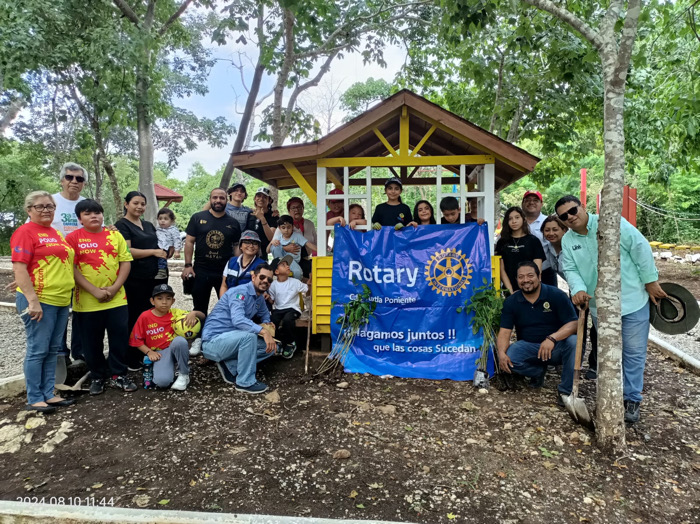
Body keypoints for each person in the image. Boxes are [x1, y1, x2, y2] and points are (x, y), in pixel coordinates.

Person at [556, 195, 668, 423]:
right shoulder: (568, 241)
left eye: (573, 210)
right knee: (608, 355)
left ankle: (632, 399)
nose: (570, 217)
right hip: (600, 306)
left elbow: (639, 247)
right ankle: (610, 397)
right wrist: (577, 289)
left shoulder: (610, 223)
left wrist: (650, 280)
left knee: (634, 354)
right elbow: (570, 268)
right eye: (564, 216)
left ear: (582, 206)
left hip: (632, 300)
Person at [11, 191, 76, 413]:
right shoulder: (25, 232)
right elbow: (19, 266)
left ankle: (49, 393)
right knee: (38, 349)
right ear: (29, 210)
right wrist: (31, 300)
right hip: (40, 299)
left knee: (52, 349)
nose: (46, 210)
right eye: (40, 207)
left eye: (50, 206)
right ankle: (35, 397)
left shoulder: (55, 233)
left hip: (60, 299)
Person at [66, 199, 137, 395]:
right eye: (88, 213)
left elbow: (125, 262)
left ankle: (119, 374)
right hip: (87, 302)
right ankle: (97, 376)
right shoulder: (72, 239)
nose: (94, 216)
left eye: (97, 212)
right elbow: (70, 268)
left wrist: (114, 288)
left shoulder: (115, 236)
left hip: (117, 299)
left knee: (119, 339)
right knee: (91, 342)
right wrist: (94, 290)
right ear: (80, 219)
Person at [496, 262, 578, 403]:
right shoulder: (512, 302)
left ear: (539, 276)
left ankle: (566, 391)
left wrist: (552, 338)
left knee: (574, 341)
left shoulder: (556, 295)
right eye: (521, 277)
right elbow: (504, 331)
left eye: (530, 276)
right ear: (516, 280)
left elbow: (574, 324)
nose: (526, 280)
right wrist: (501, 353)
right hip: (530, 347)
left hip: (556, 347)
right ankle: (538, 372)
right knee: (511, 356)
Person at [201, 264, 278, 394]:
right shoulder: (240, 292)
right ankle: (245, 382)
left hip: (231, 340)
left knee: (270, 348)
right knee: (249, 337)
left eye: (269, 280)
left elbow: (264, 313)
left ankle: (230, 366)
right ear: (253, 277)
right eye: (262, 277)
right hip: (213, 341)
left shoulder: (259, 297)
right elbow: (238, 320)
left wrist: (267, 324)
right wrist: (263, 331)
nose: (265, 281)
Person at [541, 214, 598, 380]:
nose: (551, 233)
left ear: (564, 230)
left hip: (592, 289)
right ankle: (574, 361)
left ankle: (595, 364)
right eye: (547, 230)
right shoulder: (549, 249)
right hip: (575, 292)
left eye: (555, 229)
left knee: (597, 329)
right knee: (575, 325)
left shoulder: (574, 246)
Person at [116, 191, 168, 369]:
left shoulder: (148, 224)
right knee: (135, 317)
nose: (139, 207)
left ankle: (149, 351)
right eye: (135, 203)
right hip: (134, 278)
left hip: (152, 278)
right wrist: (153, 252)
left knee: (150, 316)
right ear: (126, 204)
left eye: (142, 204)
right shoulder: (122, 225)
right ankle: (131, 356)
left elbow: (157, 245)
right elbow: (126, 251)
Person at [129, 284, 205, 391]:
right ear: (152, 301)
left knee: (180, 341)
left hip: (175, 348)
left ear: (173, 301)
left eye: (168, 298)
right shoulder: (145, 317)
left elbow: (203, 316)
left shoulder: (176, 313)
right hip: (160, 353)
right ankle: (168, 367)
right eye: (159, 298)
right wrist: (149, 352)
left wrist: (194, 312)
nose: (164, 302)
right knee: (163, 382)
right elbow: (136, 340)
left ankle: (184, 374)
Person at [182, 188, 242, 316]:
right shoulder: (197, 218)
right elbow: (189, 242)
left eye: (221, 198)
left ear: (227, 200)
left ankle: (223, 334)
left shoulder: (233, 223)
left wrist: (239, 268)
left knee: (227, 306)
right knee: (199, 307)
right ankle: (200, 334)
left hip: (224, 272)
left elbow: (237, 246)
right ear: (210, 199)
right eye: (215, 197)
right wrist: (187, 265)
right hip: (201, 270)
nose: (218, 200)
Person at [495, 206, 545, 294]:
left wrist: (529, 287)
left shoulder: (533, 241)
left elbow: (537, 269)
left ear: (523, 219)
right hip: (509, 289)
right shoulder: (502, 242)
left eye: (517, 217)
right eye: (510, 219)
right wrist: (510, 291)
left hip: (530, 288)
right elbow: (501, 269)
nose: (514, 221)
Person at [268, 255, 309, 359]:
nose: (287, 267)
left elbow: (306, 289)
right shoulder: (273, 285)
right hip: (278, 309)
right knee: (272, 320)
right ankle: (280, 341)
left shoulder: (294, 282)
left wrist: (310, 282)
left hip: (293, 308)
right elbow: (272, 300)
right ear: (276, 271)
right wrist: (268, 297)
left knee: (287, 320)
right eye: (283, 265)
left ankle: (291, 342)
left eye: (287, 265)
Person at [522, 191, 557, 287]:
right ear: (523, 203)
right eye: (528, 200)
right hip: (521, 274)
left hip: (546, 272)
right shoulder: (516, 221)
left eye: (535, 200)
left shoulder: (549, 221)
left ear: (541, 204)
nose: (531, 202)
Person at [268, 215, 317, 279]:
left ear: (292, 227)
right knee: (275, 246)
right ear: (279, 228)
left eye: (288, 227)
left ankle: (296, 287)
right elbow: (268, 251)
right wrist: (271, 243)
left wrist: (322, 251)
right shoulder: (278, 237)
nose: (286, 230)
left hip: (292, 261)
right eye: (283, 228)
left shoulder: (297, 236)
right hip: (279, 261)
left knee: (298, 272)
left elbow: (308, 244)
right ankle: (280, 266)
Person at [221, 230, 267, 296]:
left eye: (255, 243)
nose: (251, 246)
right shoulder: (231, 262)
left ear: (258, 247)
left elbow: (263, 289)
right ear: (240, 246)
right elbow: (224, 286)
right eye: (247, 242)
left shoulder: (263, 265)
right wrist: (224, 302)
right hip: (230, 302)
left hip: (252, 303)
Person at [245, 187, 278, 259]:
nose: (261, 199)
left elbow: (271, 238)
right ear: (254, 198)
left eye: (264, 197)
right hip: (248, 252)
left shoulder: (273, 216)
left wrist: (262, 218)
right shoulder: (249, 214)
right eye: (258, 196)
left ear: (269, 200)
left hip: (262, 254)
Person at [155, 208, 181, 280]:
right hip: (157, 247)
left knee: (162, 258)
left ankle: (162, 271)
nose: (162, 221)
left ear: (172, 221)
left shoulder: (173, 230)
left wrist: (177, 251)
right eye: (160, 219)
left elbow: (177, 240)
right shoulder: (157, 229)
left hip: (166, 247)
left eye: (166, 219)